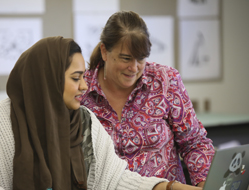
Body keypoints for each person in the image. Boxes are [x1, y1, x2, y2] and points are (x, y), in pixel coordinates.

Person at [0, 36, 202, 190]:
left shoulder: (84, 121)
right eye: (75, 78)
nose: (84, 86)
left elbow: (116, 180)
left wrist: (171, 187)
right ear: (47, 79)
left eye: (83, 76)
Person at [81, 11, 215, 188]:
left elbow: (195, 143)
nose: (134, 68)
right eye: (126, 58)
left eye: (141, 59)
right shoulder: (81, 89)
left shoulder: (165, 81)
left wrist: (207, 185)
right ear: (104, 51)